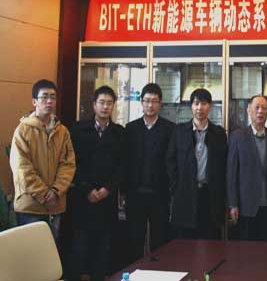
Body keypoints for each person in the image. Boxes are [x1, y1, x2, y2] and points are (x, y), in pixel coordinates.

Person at [67, 85, 126, 281]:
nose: (105, 107)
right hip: (83, 198)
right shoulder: (78, 130)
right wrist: (87, 189)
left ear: (114, 106)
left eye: (109, 103)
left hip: (107, 199)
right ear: (94, 105)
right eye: (101, 102)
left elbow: (123, 166)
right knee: (80, 247)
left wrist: (108, 189)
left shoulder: (119, 133)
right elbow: (71, 164)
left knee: (104, 249)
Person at [9, 79, 75, 240]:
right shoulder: (22, 130)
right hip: (30, 206)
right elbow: (21, 168)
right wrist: (44, 194)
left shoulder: (63, 131)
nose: (49, 101)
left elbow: (68, 164)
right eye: (44, 97)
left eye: (53, 97)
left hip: (55, 204)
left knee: (51, 250)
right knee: (30, 251)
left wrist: (56, 191)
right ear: (34, 102)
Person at [166, 88, 227, 239]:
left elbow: (223, 165)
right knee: (185, 241)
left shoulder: (219, 133)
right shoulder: (179, 131)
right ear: (191, 106)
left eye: (204, 103)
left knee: (210, 239)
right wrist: (176, 186)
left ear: (210, 106)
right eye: (196, 103)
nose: (200, 108)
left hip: (210, 195)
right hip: (185, 194)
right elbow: (170, 160)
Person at [124, 83, 175, 261]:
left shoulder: (170, 129)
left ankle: (158, 271)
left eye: (154, 101)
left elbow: (172, 162)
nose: (150, 105)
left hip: (160, 194)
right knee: (134, 240)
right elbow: (125, 161)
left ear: (160, 103)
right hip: (135, 194)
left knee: (160, 241)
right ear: (141, 102)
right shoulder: (130, 128)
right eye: (147, 101)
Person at [227, 95, 267, 240]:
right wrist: (233, 204)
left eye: (264, 108)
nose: (260, 111)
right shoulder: (237, 136)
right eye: (257, 108)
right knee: (247, 250)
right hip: (246, 206)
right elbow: (231, 173)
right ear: (249, 110)